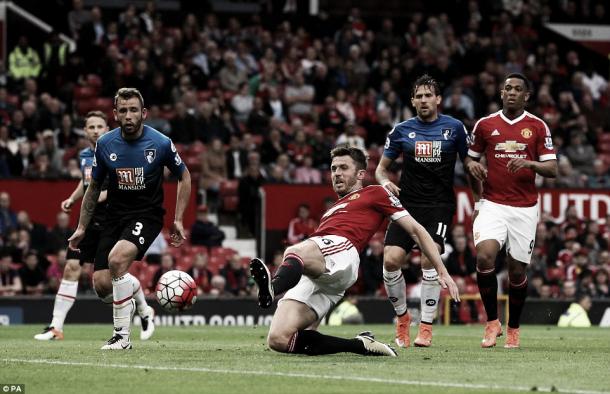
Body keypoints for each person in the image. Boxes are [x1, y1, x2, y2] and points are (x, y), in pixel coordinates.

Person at [249, 146, 459, 357]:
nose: (336, 173)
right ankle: (359, 345)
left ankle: (272, 289)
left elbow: (416, 229)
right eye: (333, 169)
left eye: (343, 168)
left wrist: (441, 270)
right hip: (321, 269)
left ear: (360, 174)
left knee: (295, 251)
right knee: (279, 339)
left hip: (342, 252)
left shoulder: (375, 192)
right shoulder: (332, 210)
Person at [68, 88, 191, 350]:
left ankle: (121, 337)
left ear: (144, 113)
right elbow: (93, 187)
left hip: (147, 215)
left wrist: (178, 219)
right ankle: (138, 302)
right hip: (114, 216)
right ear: (115, 114)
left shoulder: (160, 143)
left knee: (116, 260)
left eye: (134, 110)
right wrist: (81, 227)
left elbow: (184, 176)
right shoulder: (105, 144)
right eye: (123, 110)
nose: (128, 115)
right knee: (102, 286)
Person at [35, 111, 155, 341]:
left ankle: (142, 308)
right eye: (91, 127)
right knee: (71, 266)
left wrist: (101, 195)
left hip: (112, 219)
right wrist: (73, 198)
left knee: (104, 281)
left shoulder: (117, 150)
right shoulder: (84, 155)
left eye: (100, 126)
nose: (95, 130)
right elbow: (87, 182)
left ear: (106, 127)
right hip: (88, 220)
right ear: (86, 131)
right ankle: (55, 327)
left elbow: (126, 182)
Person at [375, 75, 476, 348]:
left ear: (438, 99)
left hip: (439, 206)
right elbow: (381, 168)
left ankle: (427, 327)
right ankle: (403, 319)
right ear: (412, 101)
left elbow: (470, 163)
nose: (423, 100)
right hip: (406, 205)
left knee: (429, 260)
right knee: (391, 259)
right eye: (418, 96)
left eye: (428, 95)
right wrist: (385, 182)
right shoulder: (401, 130)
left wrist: (479, 194)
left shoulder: (454, 128)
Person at [467, 73, 558, 348]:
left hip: (524, 208)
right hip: (492, 204)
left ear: (526, 96)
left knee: (517, 272)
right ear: (501, 92)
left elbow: (552, 169)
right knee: (484, 257)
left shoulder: (537, 126)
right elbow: (470, 163)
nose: (511, 93)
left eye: (518, 89)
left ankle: (514, 328)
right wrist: (476, 200)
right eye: (507, 88)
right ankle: (492, 322)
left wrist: (529, 164)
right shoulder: (485, 125)